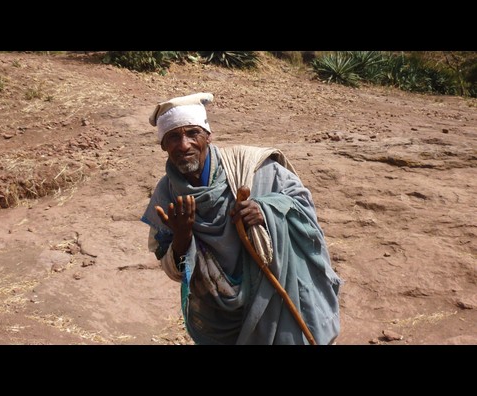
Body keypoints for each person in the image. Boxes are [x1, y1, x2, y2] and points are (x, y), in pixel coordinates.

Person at [141, 92, 342, 345]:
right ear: (163, 145)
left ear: (208, 136)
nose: (184, 145)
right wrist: (182, 237)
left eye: (193, 133)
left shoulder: (250, 168)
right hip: (219, 312)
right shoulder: (166, 195)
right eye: (173, 137)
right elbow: (173, 269)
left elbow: (303, 206)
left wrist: (267, 210)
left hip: (276, 292)